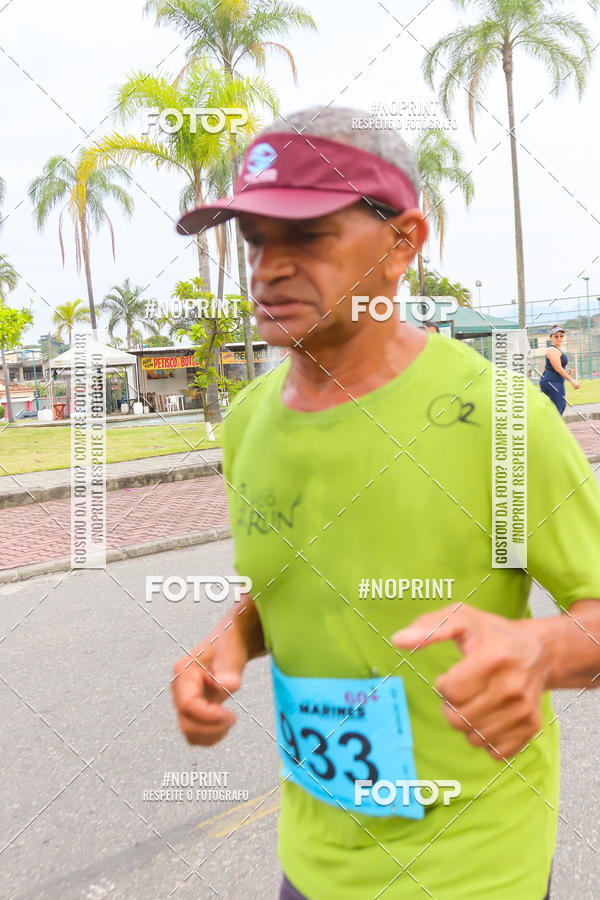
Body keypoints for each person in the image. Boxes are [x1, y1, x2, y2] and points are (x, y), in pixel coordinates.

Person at [171, 106, 600, 899]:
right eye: (255, 239)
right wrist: (230, 638)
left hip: (476, 866)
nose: (268, 267)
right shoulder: (245, 424)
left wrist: (543, 650)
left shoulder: (502, 422)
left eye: (307, 236)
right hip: (312, 864)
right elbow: (291, 585)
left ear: (402, 243)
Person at [539, 324, 579, 414]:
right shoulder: (552, 350)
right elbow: (558, 368)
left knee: (558, 406)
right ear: (551, 337)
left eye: (561, 336)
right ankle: (550, 427)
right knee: (559, 407)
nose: (559, 338)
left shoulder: (557, 349)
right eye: (556, 336)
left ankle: (540, 422)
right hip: (551, 381)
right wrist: (572, 380)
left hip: (555, 381)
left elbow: (558, 369)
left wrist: (569, 375)